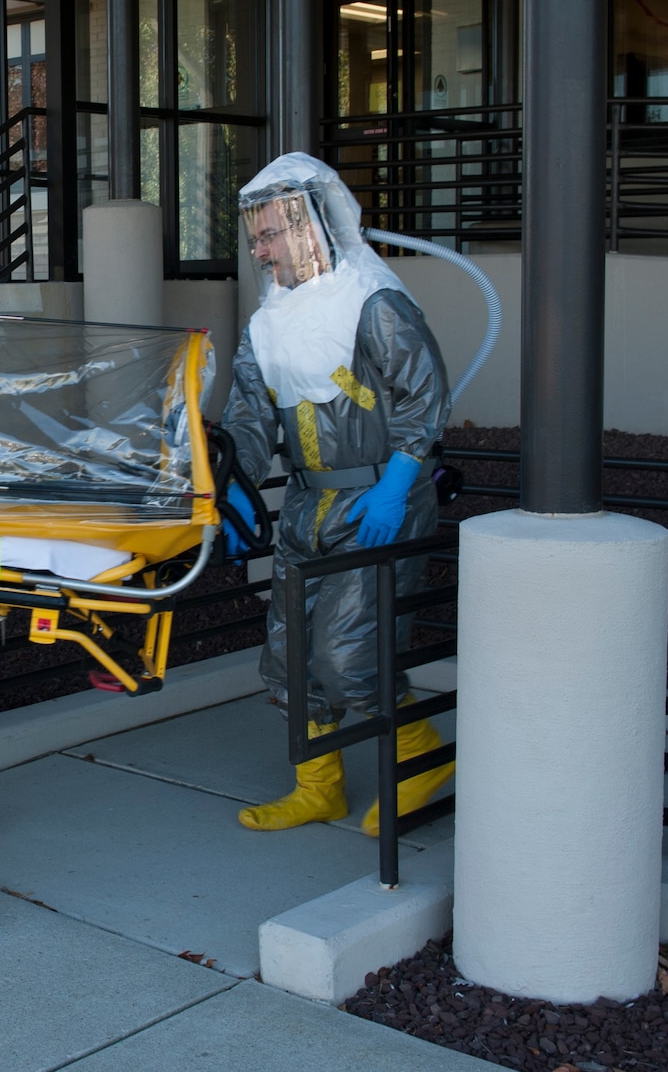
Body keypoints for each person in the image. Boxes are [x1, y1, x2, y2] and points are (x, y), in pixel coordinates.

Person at [219, 152, 455, 837]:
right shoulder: (269, 323)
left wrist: (397, 487)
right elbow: (250, 415)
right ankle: (316, 784)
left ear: (309, 226)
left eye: (269, 234)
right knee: (290, 656)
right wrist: (231, 484)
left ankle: (423, 761)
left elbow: (424, 396)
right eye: (255, 235)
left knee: (351, 657)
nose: (260, 250)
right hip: (306, 506)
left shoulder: (372, 303)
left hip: (380, 502)